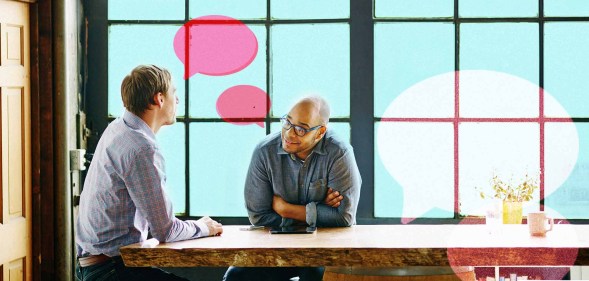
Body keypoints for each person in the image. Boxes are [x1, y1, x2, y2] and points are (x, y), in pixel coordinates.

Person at [75, 64, 223, 281]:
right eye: (174, 93)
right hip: (112, 271)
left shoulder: (118, 127)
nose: (177, 100)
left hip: (95, 265)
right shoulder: (141, 147)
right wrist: (203, 226)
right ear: (159, 99)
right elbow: (167, 231)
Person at [223, 96, 362, 281]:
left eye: (301, 129)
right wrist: (318, 210)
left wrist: (285, 209)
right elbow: (258, 215)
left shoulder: (339, 153)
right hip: (276, 245)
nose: (289, 133)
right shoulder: (265, 151)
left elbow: (343, 217)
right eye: (287, 122)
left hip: (324, 247)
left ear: (320, 132)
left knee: (315, 274)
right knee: (236, 276)